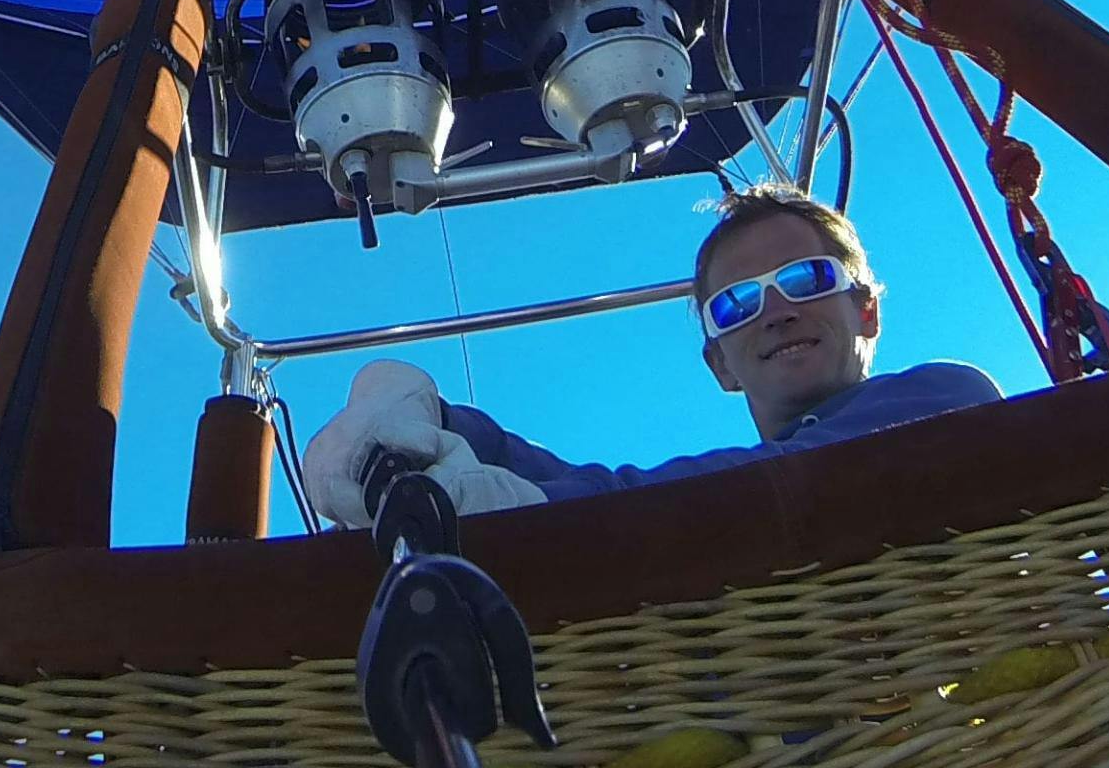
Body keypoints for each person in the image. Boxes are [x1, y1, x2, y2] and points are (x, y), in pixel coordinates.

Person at [303, 186, 1002, 523]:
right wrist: (424, 417)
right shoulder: (683, 515)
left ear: (866, 308)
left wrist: (535, 509)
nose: (778, 309)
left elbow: (778, 483)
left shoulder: (949, 400)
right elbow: (595, 485)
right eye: (738, 305)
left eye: (804, 280)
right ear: (721, 363)